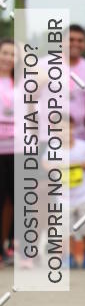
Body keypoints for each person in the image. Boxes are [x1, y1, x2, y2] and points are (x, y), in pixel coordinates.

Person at [43, 116, 85, 269]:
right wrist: (59, 166)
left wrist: (83, 165)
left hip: (84, 194)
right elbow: (45, 164)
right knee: (66, 228)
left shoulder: (83, 146)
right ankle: (70, 256)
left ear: (72, 127)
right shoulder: (53, 147)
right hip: (63, 196)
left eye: (66, 127)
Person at [0, 38, 16, 265]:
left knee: (14, 200)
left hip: (18, 147)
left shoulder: (22, 82)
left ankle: (7, 245)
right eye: (4, 53)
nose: (8, 58)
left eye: (13, 55)